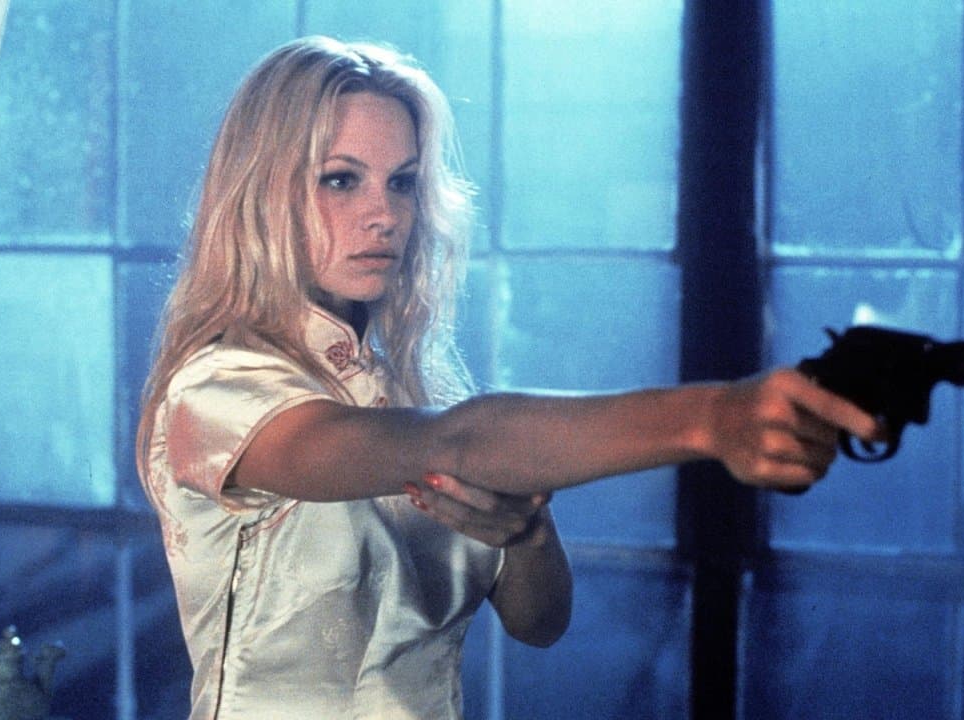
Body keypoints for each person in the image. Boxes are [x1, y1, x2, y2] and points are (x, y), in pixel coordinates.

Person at [135, 35, 881, 720]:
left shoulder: (412, 393)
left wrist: (525, 531)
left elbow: (540, 622)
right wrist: (710, 419)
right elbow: (456, 442)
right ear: (260, 194)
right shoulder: (217, 391)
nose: (383, 215)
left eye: (403, 183)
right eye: (340, 180)